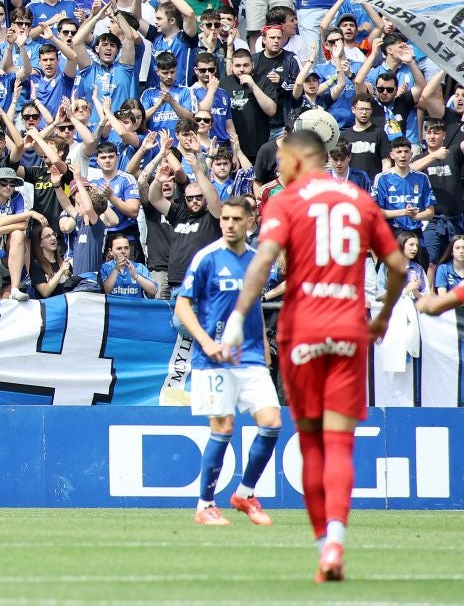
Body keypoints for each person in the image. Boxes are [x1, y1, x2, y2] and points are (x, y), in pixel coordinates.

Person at [223, 127, 410, 584]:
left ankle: (323, 547)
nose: (278, 166)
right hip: (348, 329)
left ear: (299, 157)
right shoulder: (360, 199)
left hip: (302, 330)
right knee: (340, 442)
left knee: (311, 444)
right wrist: (382, 316)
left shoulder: (286, 201)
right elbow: (400, 267)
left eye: (281, 158)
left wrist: (237, 317)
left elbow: (264, 260)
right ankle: (339, 543)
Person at [174, 195, 282, 527]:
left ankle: (245, 493)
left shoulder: (257, 261)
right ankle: (205, 504)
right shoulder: (206, 258)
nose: (230, 224)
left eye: (236, 219)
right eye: (225, 219)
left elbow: (252, 310)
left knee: (272, 424)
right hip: (214, 360)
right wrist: (206, 343)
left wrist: (263, 349)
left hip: (249, 357)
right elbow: (182, 306)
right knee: (223, 427)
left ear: (251, 222)